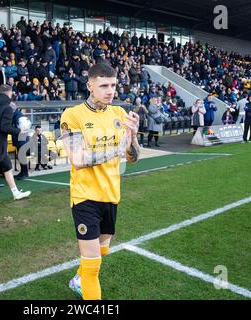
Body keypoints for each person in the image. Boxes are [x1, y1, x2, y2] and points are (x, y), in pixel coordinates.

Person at [61, 63, 141, 300]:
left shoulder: (119, 114)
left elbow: (132, 157)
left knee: (102, 249)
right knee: (93, 265)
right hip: (85, 196)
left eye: (113, 85)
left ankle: (78, 279)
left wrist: (133, 136)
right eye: (104, 85)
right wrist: (116, 149)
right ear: (90, 86)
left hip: (111, 194)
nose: (110, 91)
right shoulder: (72, 115)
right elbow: (77, 159)